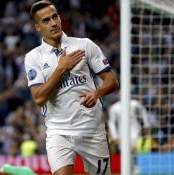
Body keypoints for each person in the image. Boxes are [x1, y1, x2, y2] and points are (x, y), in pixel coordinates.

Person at [24, 1, 119, 174]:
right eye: (46, 20)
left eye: (55, 17)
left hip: (92, 129)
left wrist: (97, 93)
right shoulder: (33, 58)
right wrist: (61, 68)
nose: (53, 23)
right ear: (37, 27)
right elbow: (38, 98)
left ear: (60, 18)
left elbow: (112, 82)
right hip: (59, 132)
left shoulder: (84, 45)